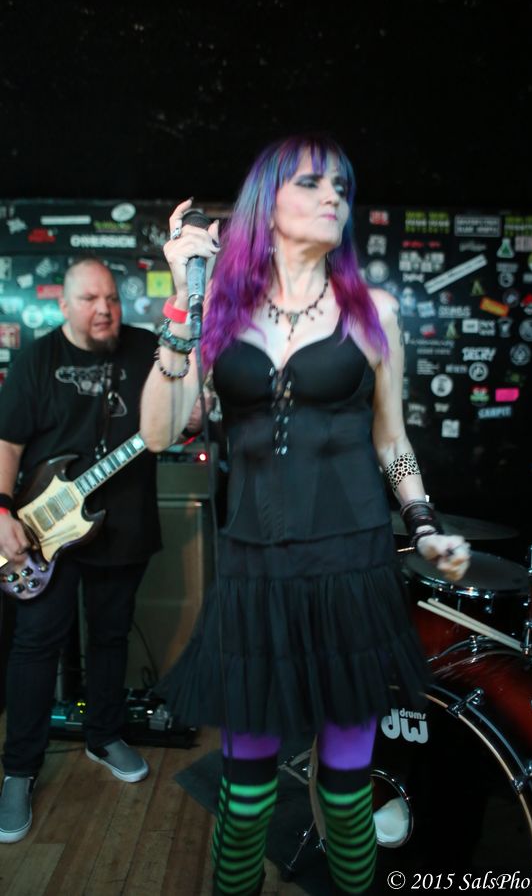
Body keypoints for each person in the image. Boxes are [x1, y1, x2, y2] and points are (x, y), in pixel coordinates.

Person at [140, 134, 471, 895]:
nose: (332, 197)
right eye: (312, 183)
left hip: (352, 568)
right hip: (255, 573)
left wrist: (423, 523)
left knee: (348, 795)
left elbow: (392, 440)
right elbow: (159, 433)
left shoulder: (373, 310)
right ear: (267, 202)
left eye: (341, 188)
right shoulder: (219, 315)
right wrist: (184, 299)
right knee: (246, 796)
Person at [0, 257, 161, 844]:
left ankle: (105, 735)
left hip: (124, 523)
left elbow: (175, 423)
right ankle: (19, 769)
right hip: (45, 530)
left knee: (112, 635)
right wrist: (0, 512)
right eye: (90, 299)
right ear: (63, 304)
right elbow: (7, 443)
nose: (104, 309)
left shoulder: (148, 349)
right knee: (35, 644)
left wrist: (190, 417)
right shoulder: (37, 359)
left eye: (112, 298)